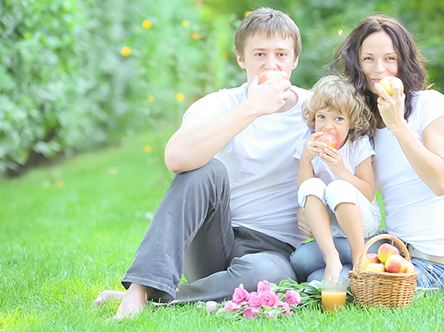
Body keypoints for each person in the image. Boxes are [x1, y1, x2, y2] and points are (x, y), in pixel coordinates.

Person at [93, 7, 312, 319]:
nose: (271, 64)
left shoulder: (314, 108)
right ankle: (141, 287)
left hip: (271, 251)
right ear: (241, 58)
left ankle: (162, 297)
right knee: (205, 168)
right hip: (213, 239)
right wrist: (252, 108)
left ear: (294, 60)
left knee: (270, 275)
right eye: (259, 54)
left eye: (281, 54)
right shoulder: (221, 103)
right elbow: (176, 157)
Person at [290, 14, 444, 291]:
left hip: (432, 264)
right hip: (388, 246)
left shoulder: (431, 105)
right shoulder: (367, 122)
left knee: (323, 282)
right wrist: (314, 212)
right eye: (368, 58)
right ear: (356, 63)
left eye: (390, 59)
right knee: (302, 260)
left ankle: (346, 277)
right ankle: (345, 272)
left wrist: (398, 125)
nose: (378, 69)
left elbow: (441, 181)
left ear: (403, 62)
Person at [294, 75, 381, 281]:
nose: (328, 126)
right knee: (312, 184)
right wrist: (306, 160)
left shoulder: (358, 145)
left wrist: (341, 169)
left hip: (362, 218)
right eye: (322, 117)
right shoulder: (307, 145)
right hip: (330, 225)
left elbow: (368, 193)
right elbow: (303, 193)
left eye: (339, 119)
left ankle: (359, 259)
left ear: (352, 123)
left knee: (338, 187)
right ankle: (331, 257)